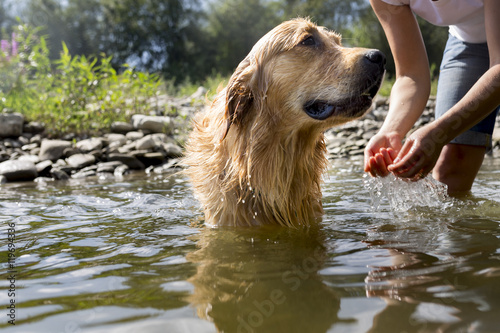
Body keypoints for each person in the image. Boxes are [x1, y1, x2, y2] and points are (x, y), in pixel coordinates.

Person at [364, 0, 500, 195]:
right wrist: (390, 130)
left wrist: (439, 133)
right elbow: (410, 75)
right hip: (468, 42)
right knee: (449, 168)